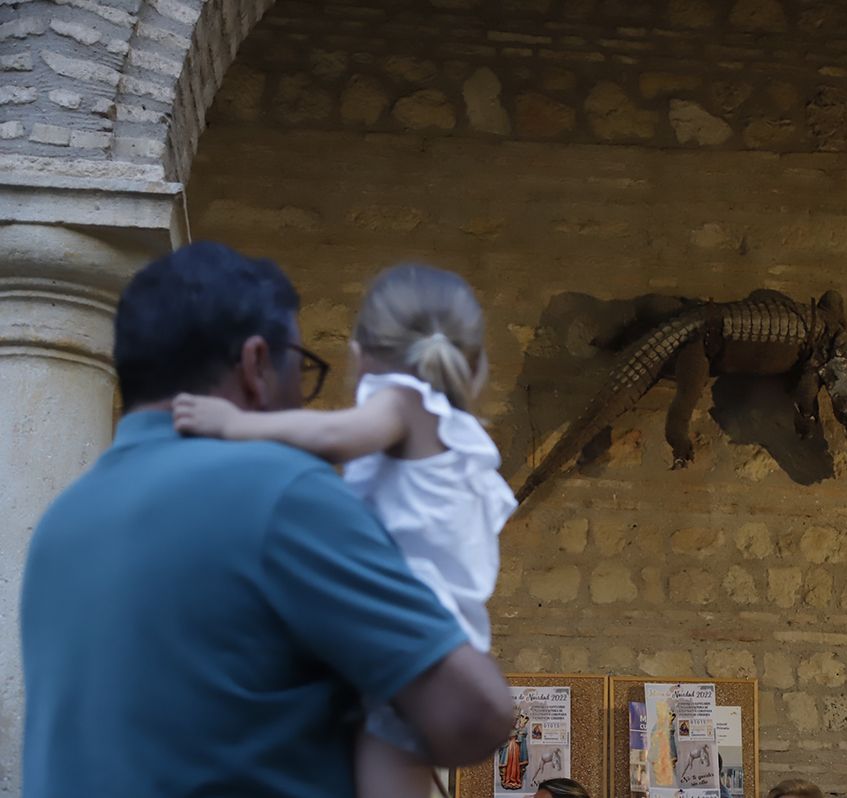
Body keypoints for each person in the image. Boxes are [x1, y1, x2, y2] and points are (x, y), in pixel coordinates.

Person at [20, 242, 513, 798]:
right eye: (302, 369)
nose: (303, 395)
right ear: (256, 365)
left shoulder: (61, 522)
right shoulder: (281, 493)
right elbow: (476, 714)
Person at [172, 263, 518, 798]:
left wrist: (233, 425)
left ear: (359, 358)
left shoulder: (404, 401)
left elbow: (335, 434)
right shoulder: (458, 437)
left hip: (398, 630)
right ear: (473, 368)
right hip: (439, 643)